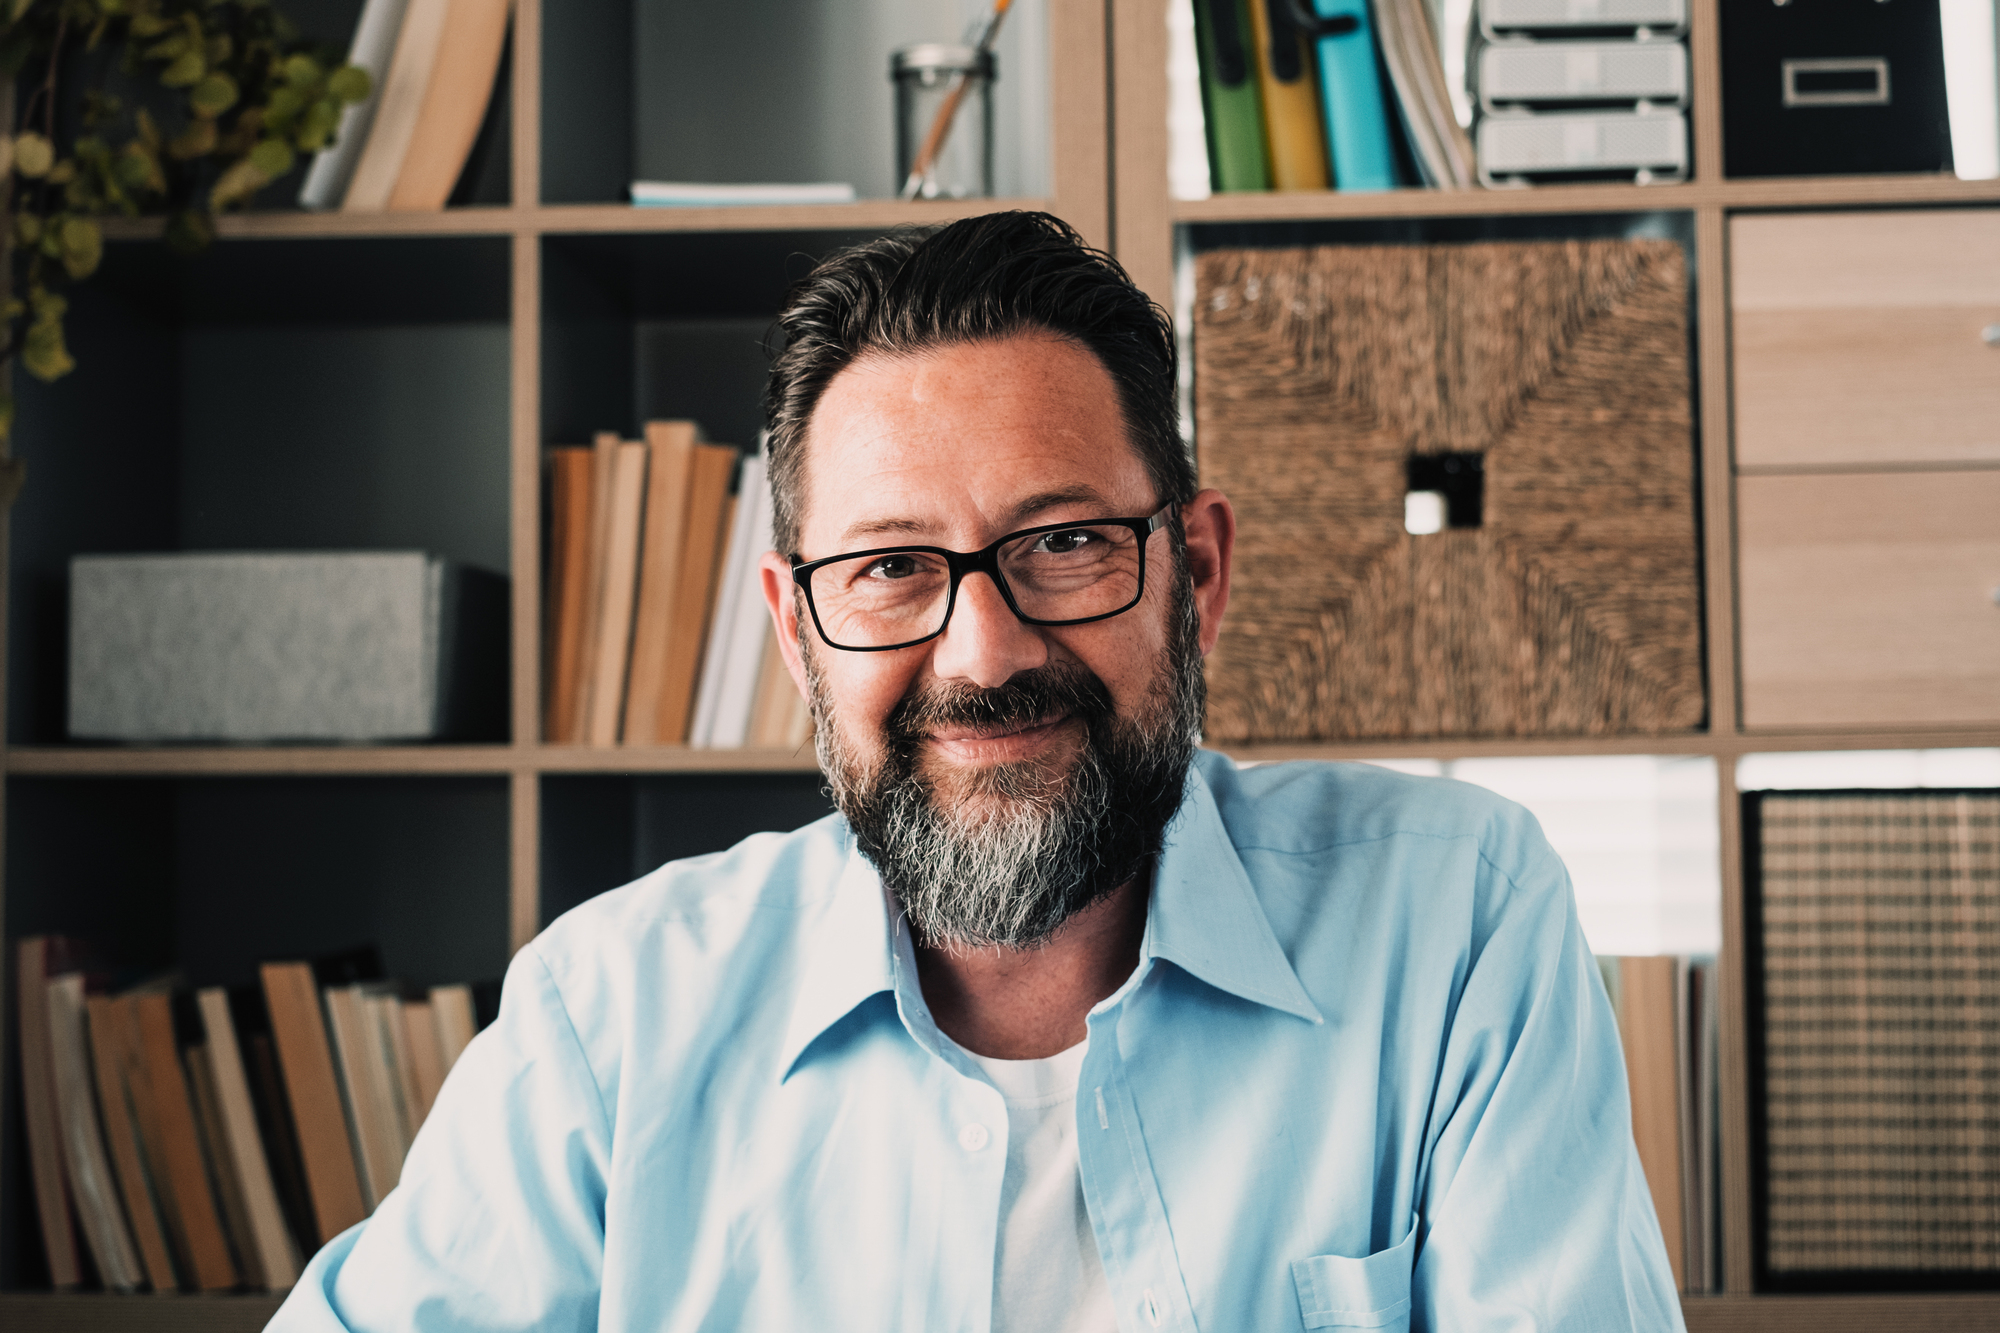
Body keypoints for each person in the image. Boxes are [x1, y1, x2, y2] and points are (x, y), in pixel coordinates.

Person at [270, 212, 1683, 1332]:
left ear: (1195, 570)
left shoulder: (1456, 925)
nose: (985, 650)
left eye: (1063, 544)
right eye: (891, 567)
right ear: (795, 627)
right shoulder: (613, 1019)